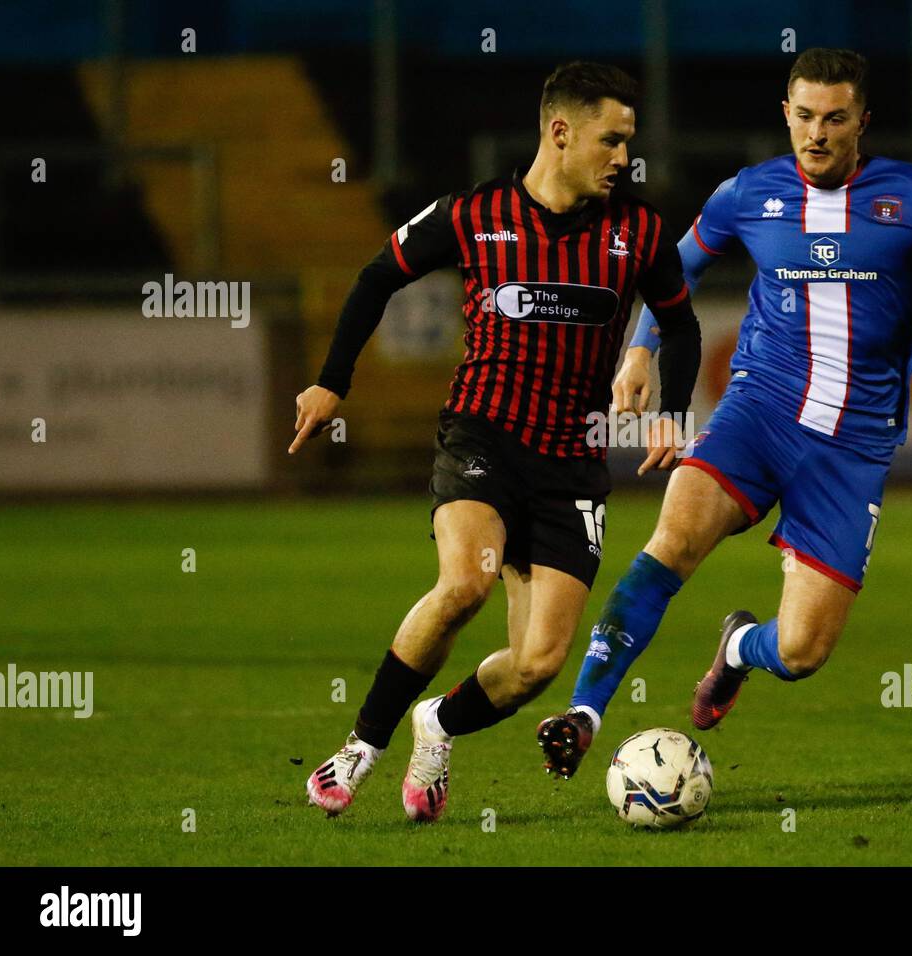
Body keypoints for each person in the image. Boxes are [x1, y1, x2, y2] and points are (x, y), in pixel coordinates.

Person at [537, 48, 912, 778]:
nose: (817, 133)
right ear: (786, 115)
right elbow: (673, 273)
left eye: (835, 118)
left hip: (851, 449)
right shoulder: (746, 195)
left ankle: (735, 649)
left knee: (800, 652)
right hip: (758, 412)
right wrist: (638, 351)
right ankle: (583, 713)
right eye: (805, 116)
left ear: (862, 122)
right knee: (673, 539)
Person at [291, 61, 700, 821]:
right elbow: (378, 276)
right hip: (482, 439)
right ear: (560, 132)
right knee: (465, 586)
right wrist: (331, 381)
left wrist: (672, 410)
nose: (624, 158)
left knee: (538, 664)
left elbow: (679, 323)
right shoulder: (473, 215)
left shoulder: (639, 232)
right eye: (611, 141)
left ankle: (436, 725)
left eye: (628, 143)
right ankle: (360, 747)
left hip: (571, 465)